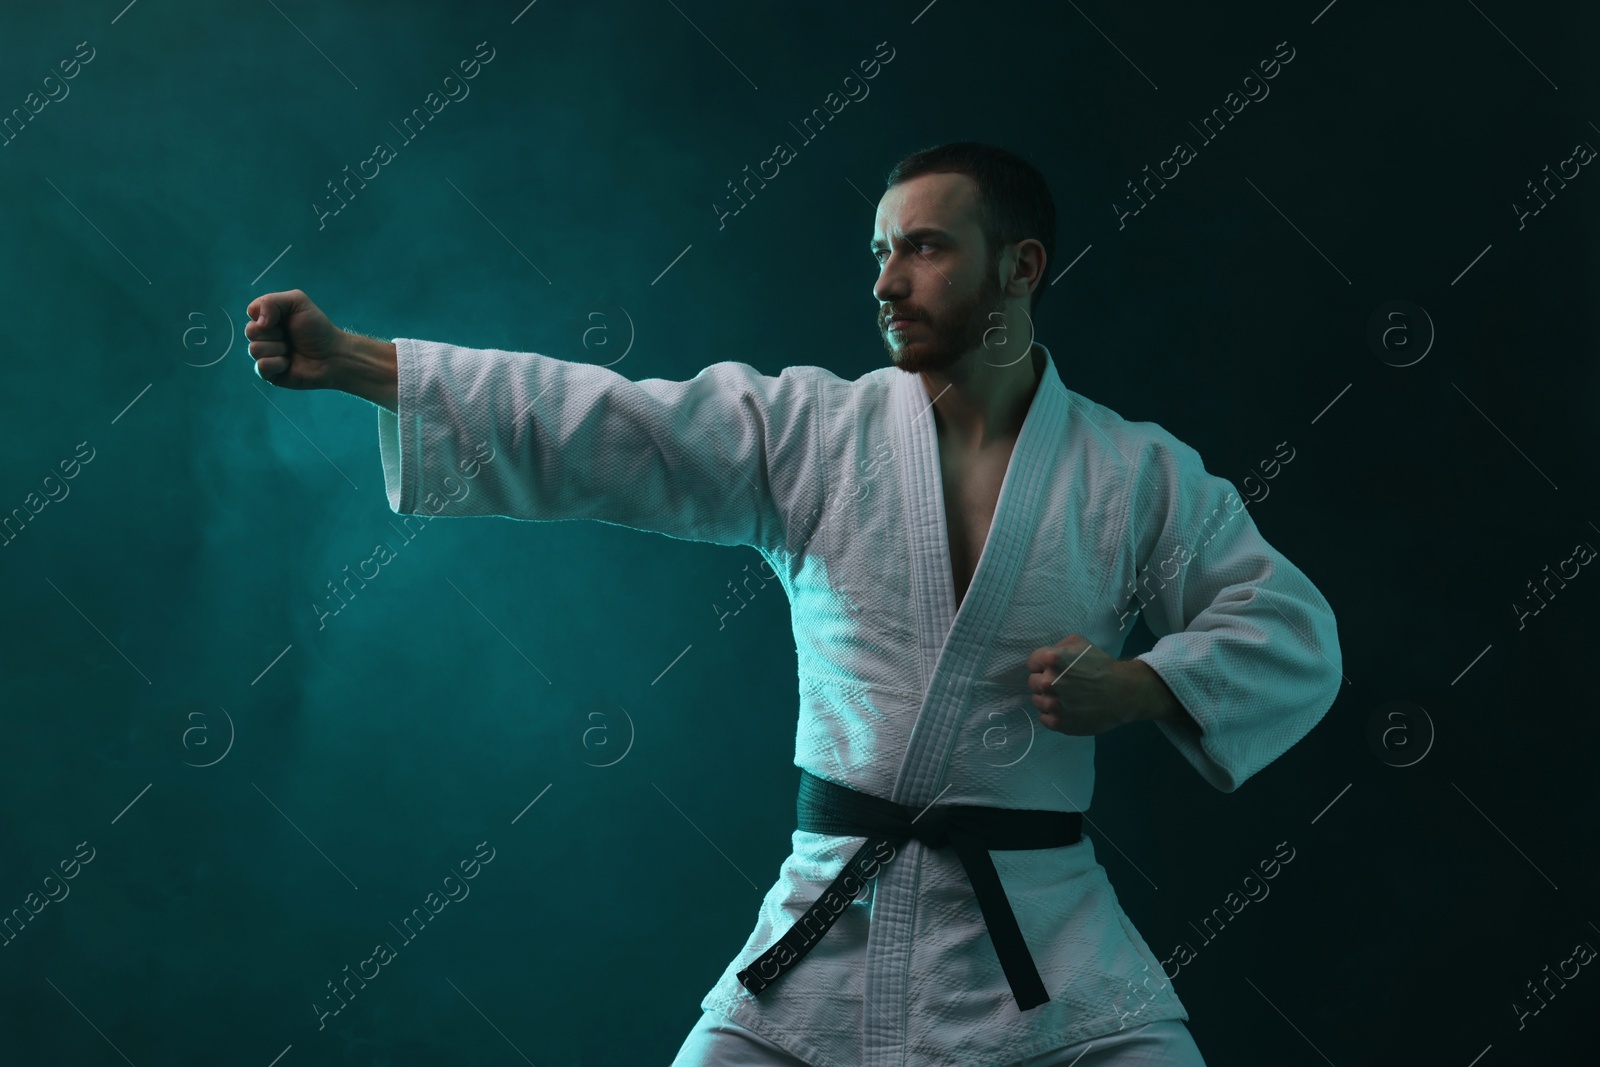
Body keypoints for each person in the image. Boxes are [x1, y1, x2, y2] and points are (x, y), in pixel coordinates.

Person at [246, 141, 1341, 1065]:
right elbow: (613, 422)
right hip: (826, 931)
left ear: (1020, 266)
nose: (885, 281)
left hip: (1045, 949)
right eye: (879, 252)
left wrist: (1144, 684)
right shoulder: (813, 432)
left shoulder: (1135, 473)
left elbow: (1287, 629)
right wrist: (362, 363)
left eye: (922, 247)